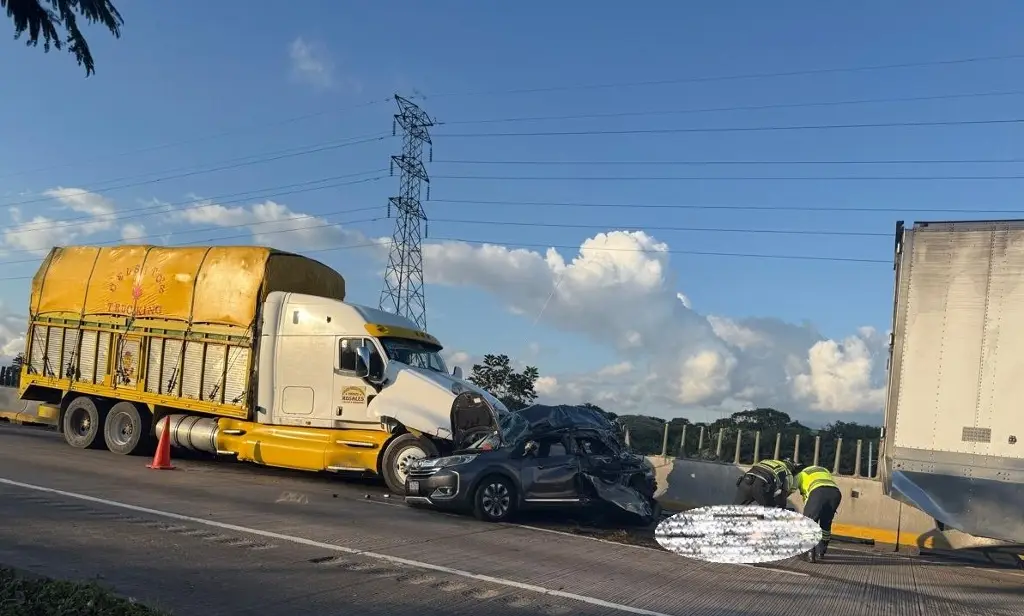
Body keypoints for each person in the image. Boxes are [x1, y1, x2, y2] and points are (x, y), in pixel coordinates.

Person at [791, 464, 843, 562]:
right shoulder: (823, 469)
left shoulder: (801, 474)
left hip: (818, 492)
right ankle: (821, 552)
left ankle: (809, 554)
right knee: (826, 523)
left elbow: (790, 489)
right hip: (835, 493)